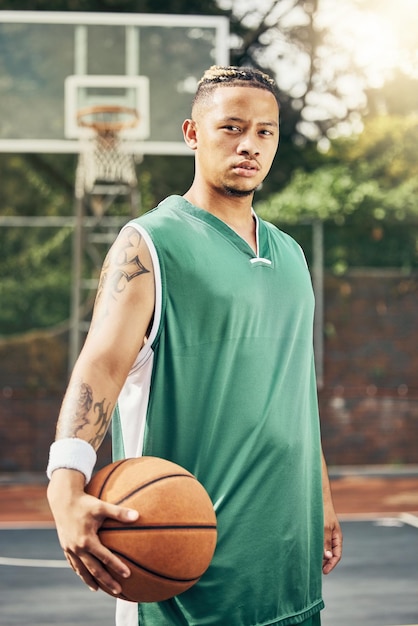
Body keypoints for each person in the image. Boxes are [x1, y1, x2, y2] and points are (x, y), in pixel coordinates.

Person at [47, 65, 342, 626]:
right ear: (192, 133)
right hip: (186, 573)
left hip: (289, 567)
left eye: (265, 132)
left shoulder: (292, 254)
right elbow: (102, 368)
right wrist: (64, 483)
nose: (249, 145)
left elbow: (293, 389)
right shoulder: (150, 243)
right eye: (231, 127)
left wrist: (320, 495)